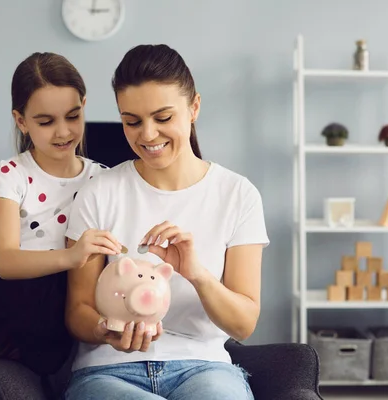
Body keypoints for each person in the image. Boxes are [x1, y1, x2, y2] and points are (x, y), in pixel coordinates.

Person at [64, 44, 269, 400]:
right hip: (108, 372)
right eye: (131, 121)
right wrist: (105, 330)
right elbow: (77, 310)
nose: (146, 135)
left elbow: (243, 324)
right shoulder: (98, 193)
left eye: (162, 118)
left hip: (205, 368)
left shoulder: (238, 195)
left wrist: (197, 273)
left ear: (194, 108)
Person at [0, 52, 123, 400]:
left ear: (84, 106)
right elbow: (6, 261)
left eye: (73, 116)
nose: (63, 131)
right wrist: (71, 256)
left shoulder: (101, 178)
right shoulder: (12, 174)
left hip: (64, 304)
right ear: (21, 120)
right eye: (45, 122)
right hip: (8, 298)